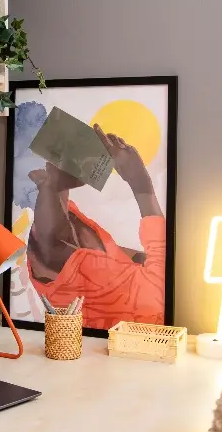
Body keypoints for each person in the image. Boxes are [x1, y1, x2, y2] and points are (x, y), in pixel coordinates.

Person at [26, 124, 166, 329]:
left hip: (87, 313)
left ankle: (53, 184)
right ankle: (53, 185)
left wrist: (140, 182)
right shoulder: (153, 300)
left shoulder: (154, 300)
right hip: (101, 305)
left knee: (58, 245)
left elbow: (53, 244)